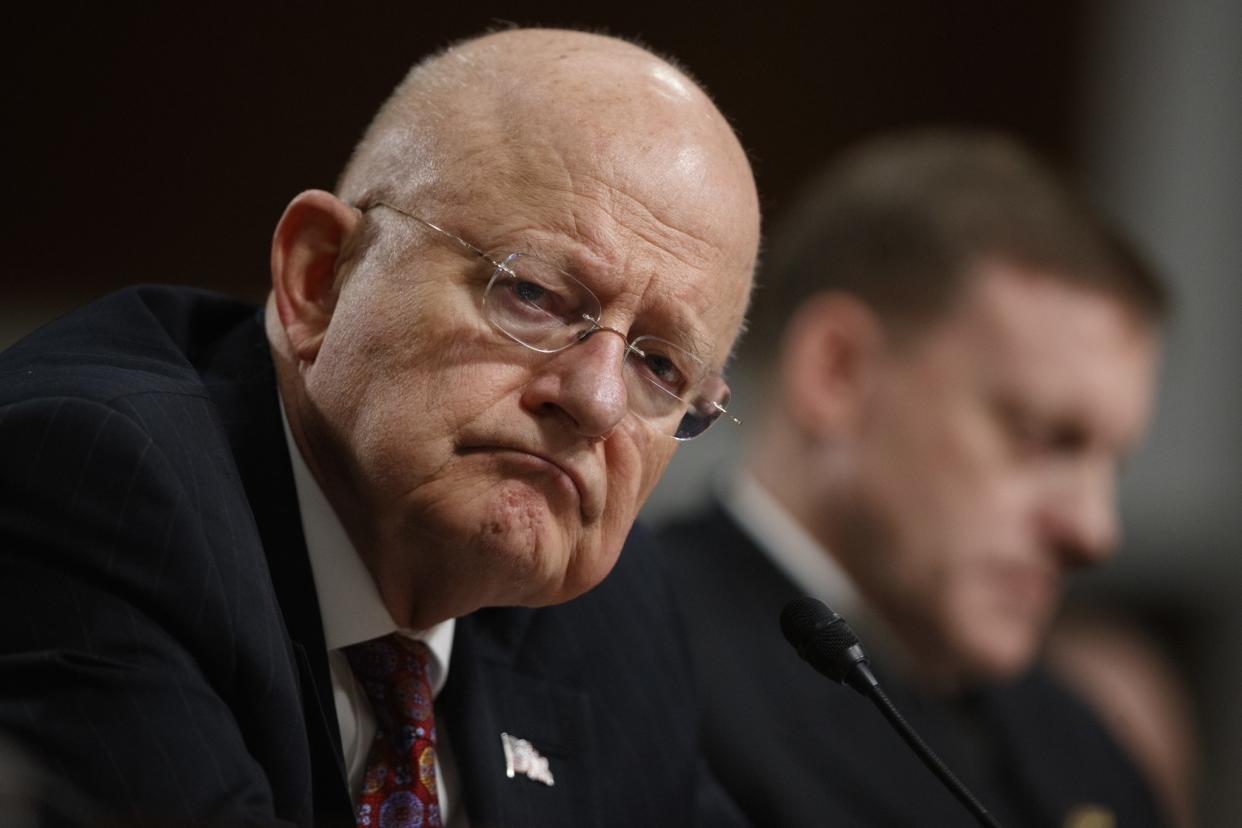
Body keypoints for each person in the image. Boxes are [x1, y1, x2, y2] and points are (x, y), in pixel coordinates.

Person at [0, 28, 759, 827]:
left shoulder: (615, 623)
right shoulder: (94, 487)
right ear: (320, 277)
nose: (597, 401)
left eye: (663, 368)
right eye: (533, 293)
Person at [660, 130, 1171, 827]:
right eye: (1041, 438)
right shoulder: (629, 661)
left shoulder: (1080, 744)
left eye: (1112, 462)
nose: (1093, 531)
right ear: (837, 373)